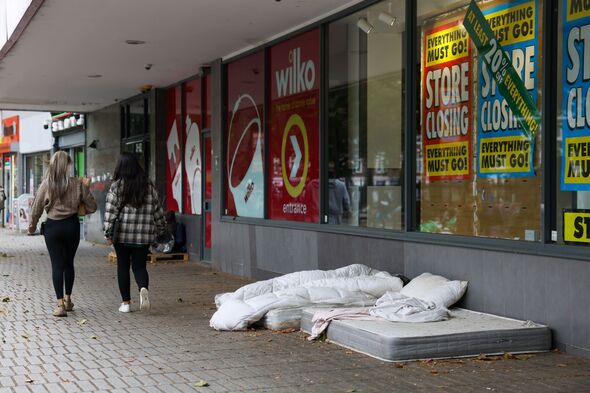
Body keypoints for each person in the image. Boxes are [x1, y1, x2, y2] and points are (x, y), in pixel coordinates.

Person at [28, 151, 97, 317]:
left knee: (57, 265)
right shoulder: (77, 184)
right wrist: (84, 196)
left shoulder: (46, 185)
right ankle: (68, 300)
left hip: (53, 228)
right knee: (68, 263)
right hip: (72, 226)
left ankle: (59, 306)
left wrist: (32, 227)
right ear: (67, 166)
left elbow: (36, 208)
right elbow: (92, 206)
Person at [103, 153, 167, 313]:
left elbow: (110, 212)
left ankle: (125, 303)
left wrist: (108, 233)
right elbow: (157, 210)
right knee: (139, 266)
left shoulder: (117, 186)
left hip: (122, 235)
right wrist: (160, 229)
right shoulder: (148, 185)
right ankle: (143, 288)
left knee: (123, 267)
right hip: (144, 235)